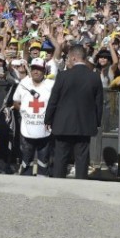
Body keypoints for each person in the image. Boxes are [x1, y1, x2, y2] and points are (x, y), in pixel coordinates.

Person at [44, 43, 103, 179]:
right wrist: (97, 122)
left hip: (63, 124)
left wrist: (48, 119)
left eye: (69, 58)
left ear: (74, 58)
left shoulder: (63, 76)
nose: (68, 61)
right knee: (82, 159)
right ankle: (80, 187)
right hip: (84, 125)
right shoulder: (94, 77)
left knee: (60, 159)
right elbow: (98, 104)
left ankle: (58, 186)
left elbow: (54, 100)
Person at [13, 57, 54, 176]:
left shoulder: (51, 85)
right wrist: (23, 111)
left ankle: (43, 187)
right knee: (26, 161)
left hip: (45, 131)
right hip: (27, 130)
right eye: (34, 69)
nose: (36, 71)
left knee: (43, 162)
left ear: (44, 71)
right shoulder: (24, 83)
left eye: (39, 69)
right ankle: (26, 184)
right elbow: (16, 101)